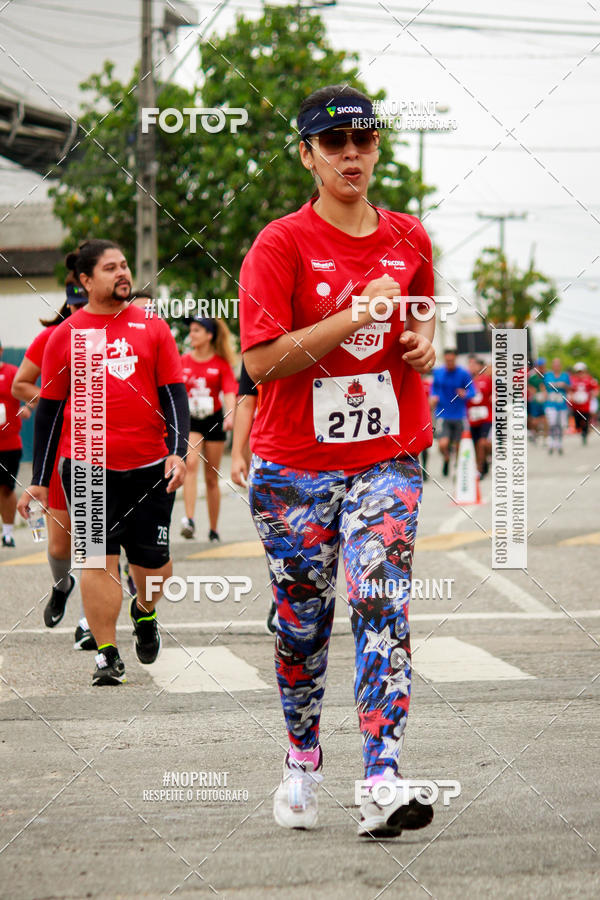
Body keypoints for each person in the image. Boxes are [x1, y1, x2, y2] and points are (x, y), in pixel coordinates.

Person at [240, 84, 436, 838]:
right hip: (294, 467)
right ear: (308, 156)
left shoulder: (410, 238)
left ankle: (382, 778)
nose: (351, 153)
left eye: (364, 139)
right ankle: (301, 758)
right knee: (303, 622)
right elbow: (261, 363)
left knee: (382, 598)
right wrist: (355, 313)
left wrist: (420, 344)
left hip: (387, 457)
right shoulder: (280, 245)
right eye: (334, 143)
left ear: (378, 146)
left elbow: (416, 333)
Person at [18, 240, 188, 686]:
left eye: (125, 265)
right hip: (88, 467)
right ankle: (107, 653)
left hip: (150, 466)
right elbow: (51, 412)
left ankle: (144, 612)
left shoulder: (151, 326)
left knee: (157, 570)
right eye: (110, 267)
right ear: (86, 280)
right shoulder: (65, 335)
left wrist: (178, 451)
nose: (122, 273)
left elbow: (173, 393)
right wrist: (38, 481)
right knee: (98, 561)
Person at [11, 280, 95, 647]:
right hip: (62, 454)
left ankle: (91, 622)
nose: (79, 312)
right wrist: (56, 401)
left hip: (106, 456)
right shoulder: (55, 337)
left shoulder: (118, 337)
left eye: (85, 304)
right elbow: (20, 384)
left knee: (98, 545)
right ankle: (62, 585)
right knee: (60, 546)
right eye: (74, 306)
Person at [180, 317, 237, 542]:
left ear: (209, 335)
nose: (191, 335)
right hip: (192, 420)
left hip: (213, 419)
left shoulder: (220, 364)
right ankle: (189, 520)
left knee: (211, 478)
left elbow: (230, 392)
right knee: (190, 463)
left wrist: (230, 416)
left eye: (196, 331)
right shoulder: (182, 361)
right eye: (191, 331)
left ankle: (213, 529)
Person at [0, 340, 30, 547]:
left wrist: (26, 408)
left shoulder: (12, 372)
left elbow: (31, 394)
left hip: (9, 442)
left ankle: (8, 532)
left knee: (6, 488)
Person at [431, 349, 474, 476]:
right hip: (442, 413)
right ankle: (446, 458)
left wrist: (465, 394)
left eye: (452, 360)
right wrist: (433, 397)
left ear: (455, 359)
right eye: (447, 360)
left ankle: (457, 465)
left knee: (458, 444)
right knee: (443, 444)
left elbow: (472, 391)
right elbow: (434, 388)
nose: (449, 362)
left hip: (459, 414)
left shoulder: (463, 373)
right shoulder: (438, 373)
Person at [466, 355, 492, 477]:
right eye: (470, 364)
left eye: (474, 364)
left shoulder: (486, 379)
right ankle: (483, 463)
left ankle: (479, 469)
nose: (472, 367)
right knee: (476, 445)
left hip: (486, 417)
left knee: (482, 443)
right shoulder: (465, 381)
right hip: (472, 418)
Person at [544, 357, 570, 455]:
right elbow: (547, 385)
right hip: (551, 403)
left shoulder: (565, 375)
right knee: (552, 423)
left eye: (558, 365)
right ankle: (551, 442)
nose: (556, 367)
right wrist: (558, 385)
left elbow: (569, 387)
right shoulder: (548, 375)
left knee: (560, 425)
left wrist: (564, 385)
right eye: (555, 365)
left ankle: (559, 443)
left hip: (562, 403)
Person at [569, 362, 598, 445]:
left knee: (585, 420)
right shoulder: (573, 380)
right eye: (578, 372)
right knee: (577, 422)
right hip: (576, 405)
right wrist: (571, 396)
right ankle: (581, 430)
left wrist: (593, 394)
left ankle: (585, 434)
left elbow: (595, 389)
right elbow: (570, 390)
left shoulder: (589, 380)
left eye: (581, 372)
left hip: (585, 405)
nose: (580, 374)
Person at [527, 358, 547, 443]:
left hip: (542, 399)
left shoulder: (545, 374)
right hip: (534, 400)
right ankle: (533, 433)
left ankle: (546, 437)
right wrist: (533, 391)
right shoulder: (531, 375)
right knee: (534, 419)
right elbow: (527, 385)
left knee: (544, 418)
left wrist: (544, 393)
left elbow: (544, 386)